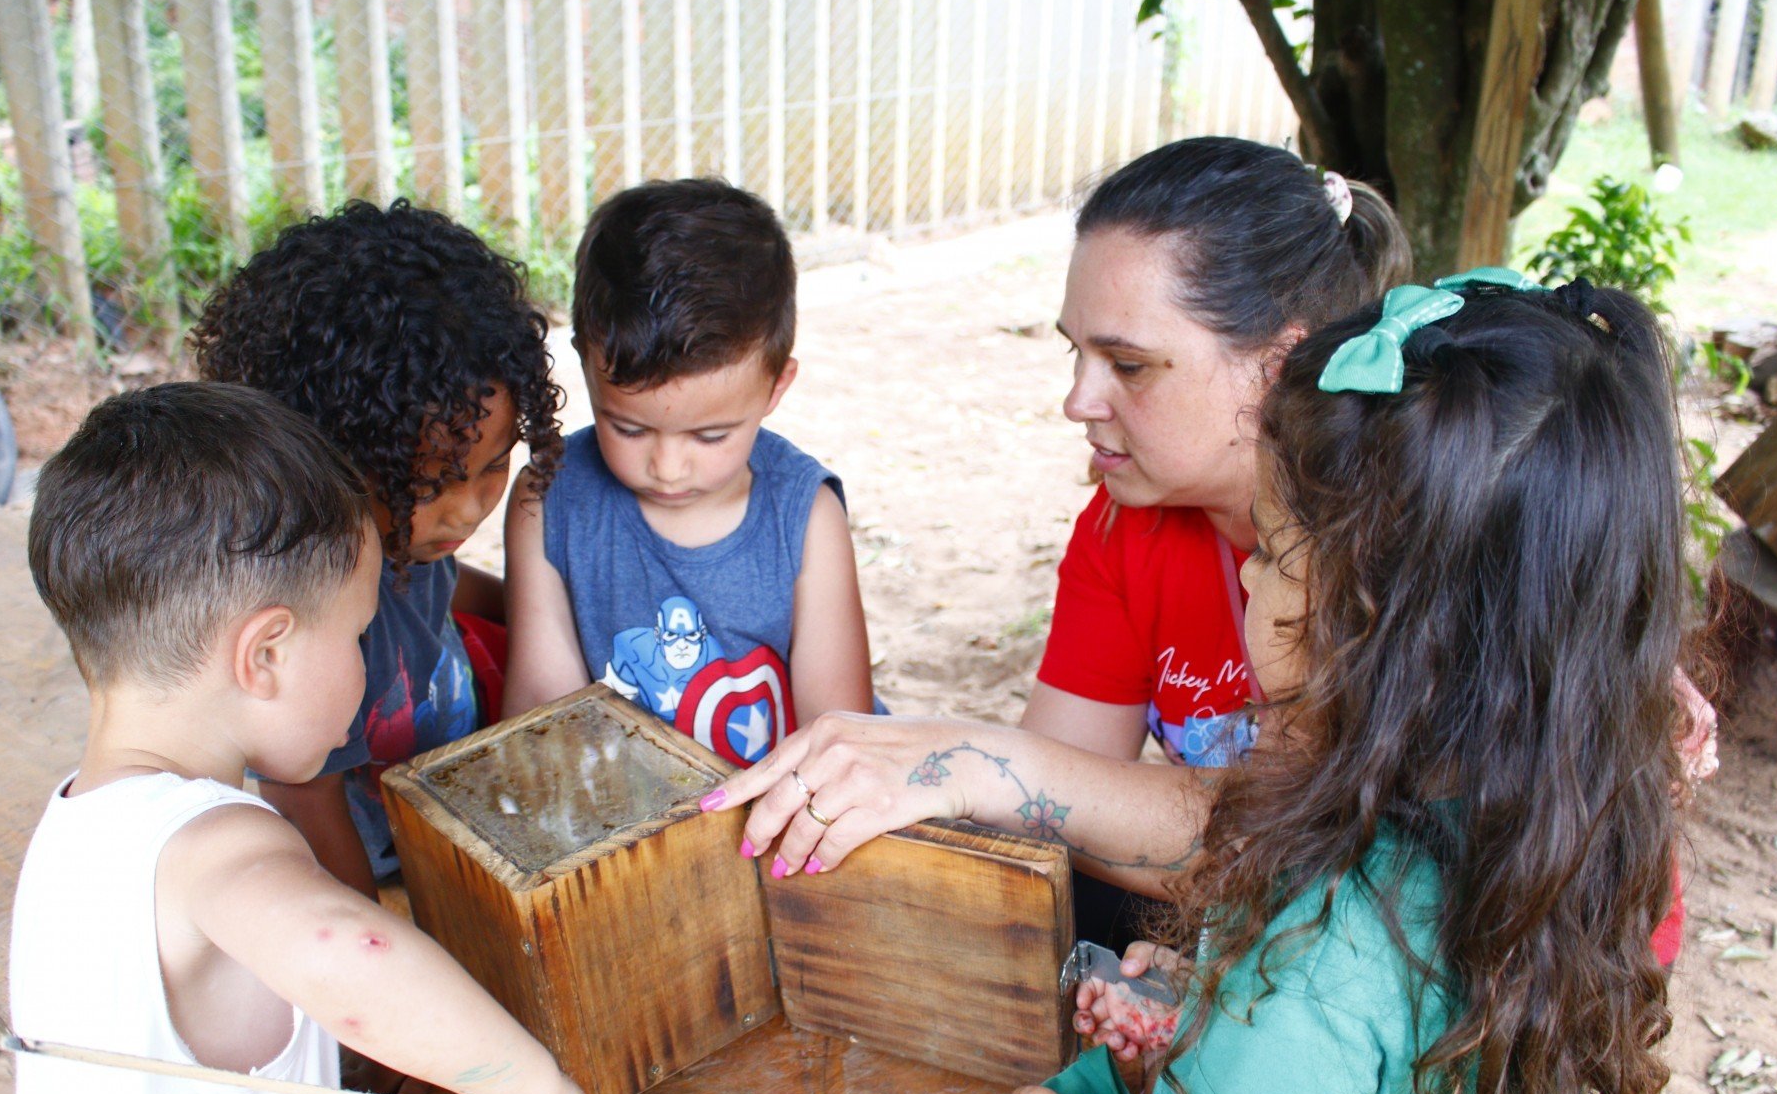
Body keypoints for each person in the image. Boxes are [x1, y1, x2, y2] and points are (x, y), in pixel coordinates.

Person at [856, 274, 1684, 1094]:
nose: (1248, 576)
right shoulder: (1597, 805)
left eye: (1280, 556)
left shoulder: (1327, 938)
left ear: (1389, 637)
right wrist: (1212, 1008)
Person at [703, 139, 1711, 955]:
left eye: (1129, 364)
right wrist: (960, 773)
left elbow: (1311, 838)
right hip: (1309, 904)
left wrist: (982, 763)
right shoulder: (1126, 522)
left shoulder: (1400, 536)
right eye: (1076, 352)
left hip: (1471, 944)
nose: (1078, 401)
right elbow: (1061, 806)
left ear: (1279, 366)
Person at [12, 384, 593, 1094]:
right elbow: (345, 948)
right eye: (360, 633)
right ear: (266, 655)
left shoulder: (73, 830)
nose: (366, 665)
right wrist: (525, 1084)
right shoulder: (219, 840)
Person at [191, 200, 564, 898]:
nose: (470, 506)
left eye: (493, 466)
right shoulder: (309, 612)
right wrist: (382, 939)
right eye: (434, 484)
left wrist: (544, 619)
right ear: (329, 457)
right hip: (384, 878)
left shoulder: (407, 540)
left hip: (451, 842)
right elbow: (306, 804)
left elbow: (447, 586)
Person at [504, 179, 874, 769]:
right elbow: (543, 714)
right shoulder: (547, 501)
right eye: (628, 428)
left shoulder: (804, 517)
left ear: (776, 386)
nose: (667, 468)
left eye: (711, 436)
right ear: (585, 364)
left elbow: (837, 737)